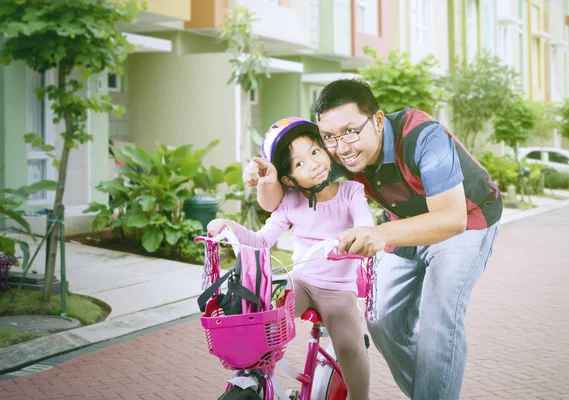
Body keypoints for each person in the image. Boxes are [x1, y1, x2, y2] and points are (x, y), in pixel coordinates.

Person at [243, 79, 502, 400]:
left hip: (466, 219)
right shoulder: (337, 153)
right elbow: (292, 180)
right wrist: (261, 178)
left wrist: (376, 234)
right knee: (381, 322)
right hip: (404, 222)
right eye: (330, 137)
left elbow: (450, 218)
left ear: (378, 121)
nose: (342, 147)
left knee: (438, 325)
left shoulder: (423, 136)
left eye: (351, 131)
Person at [208, 117, 372, 400]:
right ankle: (252, 375)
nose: (313, 163)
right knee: (260, 316)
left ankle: (360, 397)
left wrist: (355, 236)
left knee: (349, 345)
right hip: (302, 283)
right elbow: (262, 240)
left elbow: (365, 224)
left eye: (315, 152)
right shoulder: (290, 201)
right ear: (288, 179)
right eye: (299, 164)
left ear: (325, 150)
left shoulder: (351, 192)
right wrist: (231, 228)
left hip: (337, 289)